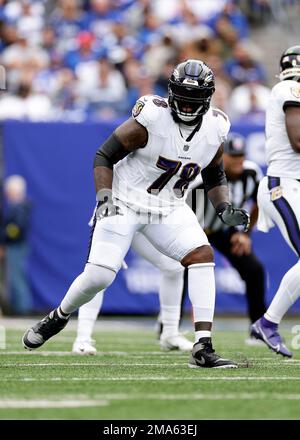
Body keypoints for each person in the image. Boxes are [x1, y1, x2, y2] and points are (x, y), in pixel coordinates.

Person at [23, 59, 249, 369]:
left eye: (193, 97)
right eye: (181, 95)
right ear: (170, 92)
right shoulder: (152, 117)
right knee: (100, 275)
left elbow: (214, 173)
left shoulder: (216, 127)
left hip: (168, 207)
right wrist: (104, 196)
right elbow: (104, 155)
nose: (186, 103)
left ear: (207, 98)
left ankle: (203, 346)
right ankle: (59, 316)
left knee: (201, 255)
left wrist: (223, 207)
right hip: (124, 202)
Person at [250, 46, 300, 358]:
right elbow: (298, 141)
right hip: (283, 185)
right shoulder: (289, 88)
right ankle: (268, 323)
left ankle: (268, 323)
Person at [72, 231, 192, 355]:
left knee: (174, 266)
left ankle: (170, 334)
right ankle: (82, 339)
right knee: (100, 271)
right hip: (118, 219)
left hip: (146, 218)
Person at [2, 175, 32, 315]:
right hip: (17, 245)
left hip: (17, 246)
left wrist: (5, 238)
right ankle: (21, 306)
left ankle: (22, 308)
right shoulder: (19, 206)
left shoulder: (18, 207)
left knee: (17, 276)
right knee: (17, 276)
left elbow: (16, 228)